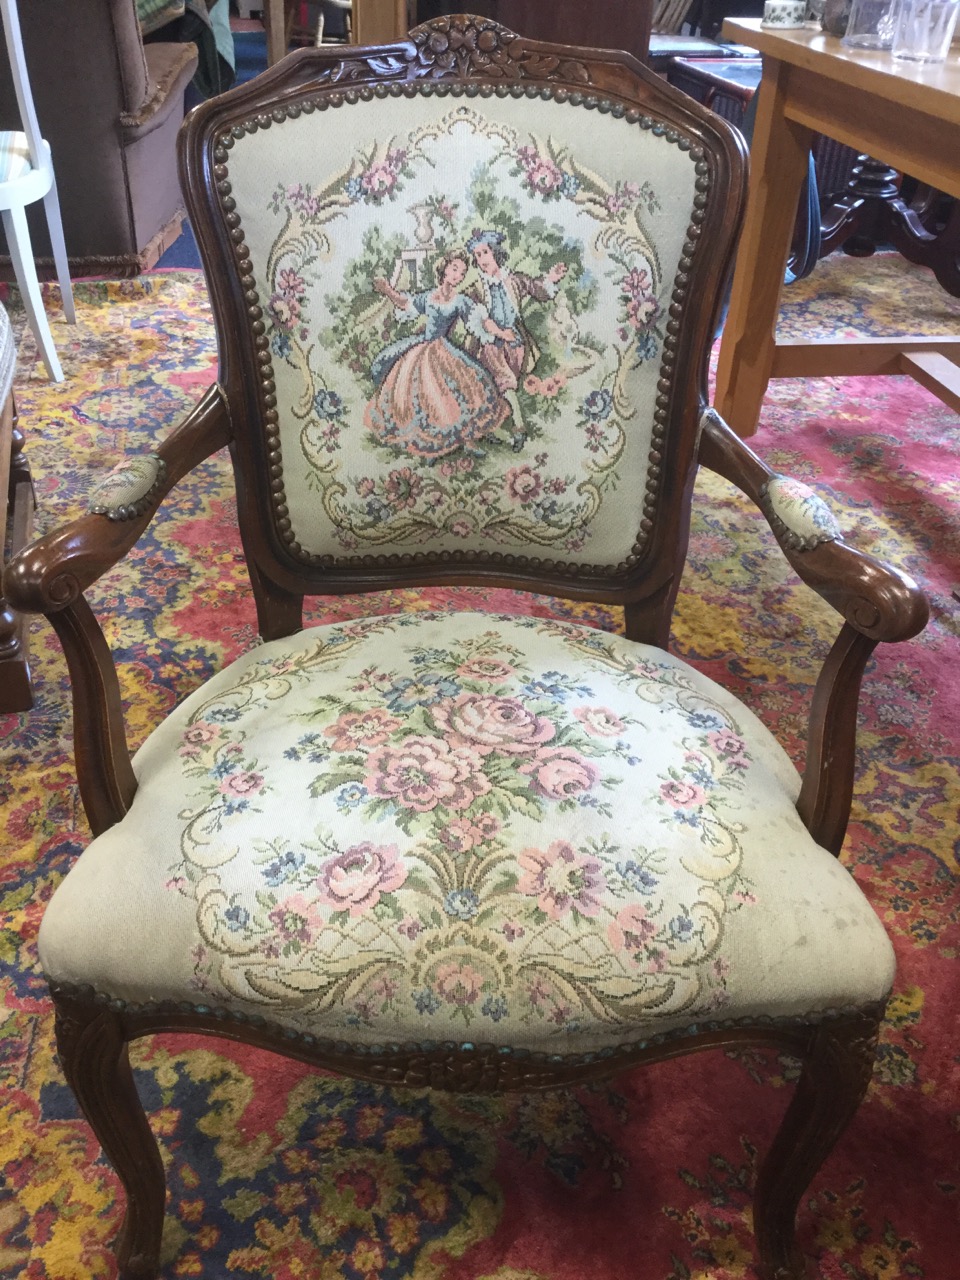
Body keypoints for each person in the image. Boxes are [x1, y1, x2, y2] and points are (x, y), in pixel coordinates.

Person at [364, 250, 512, 460]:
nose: (457, 276)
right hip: (422, 350)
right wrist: (387, 289)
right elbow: (405, 303)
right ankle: (432, 443)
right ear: (444, 268)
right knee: (422, 394)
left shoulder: (460, 300)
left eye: (462, 273)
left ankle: (467, 439)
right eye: (454, 269)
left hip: (445, 350)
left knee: (460, 391)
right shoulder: (428, 297)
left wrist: (500, 332)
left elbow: (482, 321)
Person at [466, 229, 568, 450]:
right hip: (490, 344)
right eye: (477, 256)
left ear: (496, 253)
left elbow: (536, 288)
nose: (482, 260)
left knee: (499, 387)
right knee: (503, 383)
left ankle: (489, 428)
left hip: (516, 343)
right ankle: (519, 429)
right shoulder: (476, 289)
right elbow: (476, 318)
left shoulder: (513, 280)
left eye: (484, 253)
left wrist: (551, 278)